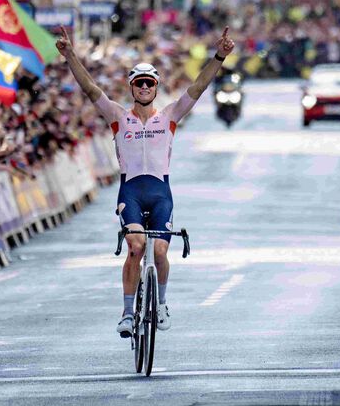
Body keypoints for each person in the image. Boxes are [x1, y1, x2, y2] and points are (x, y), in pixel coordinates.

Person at [55, 25, 236, 338]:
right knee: (136, 248)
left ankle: (162, 303)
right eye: (138, 84)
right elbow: (90, 88)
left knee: (162, 253)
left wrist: (219, 56)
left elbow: (198, 86)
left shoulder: (168, 116)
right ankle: (127, 313)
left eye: (149, 83)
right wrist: (70, 55)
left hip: (160, 191)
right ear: (131, 88)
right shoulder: (117, 116)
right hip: (132, 192)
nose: (143, 88)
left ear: (155, 87)